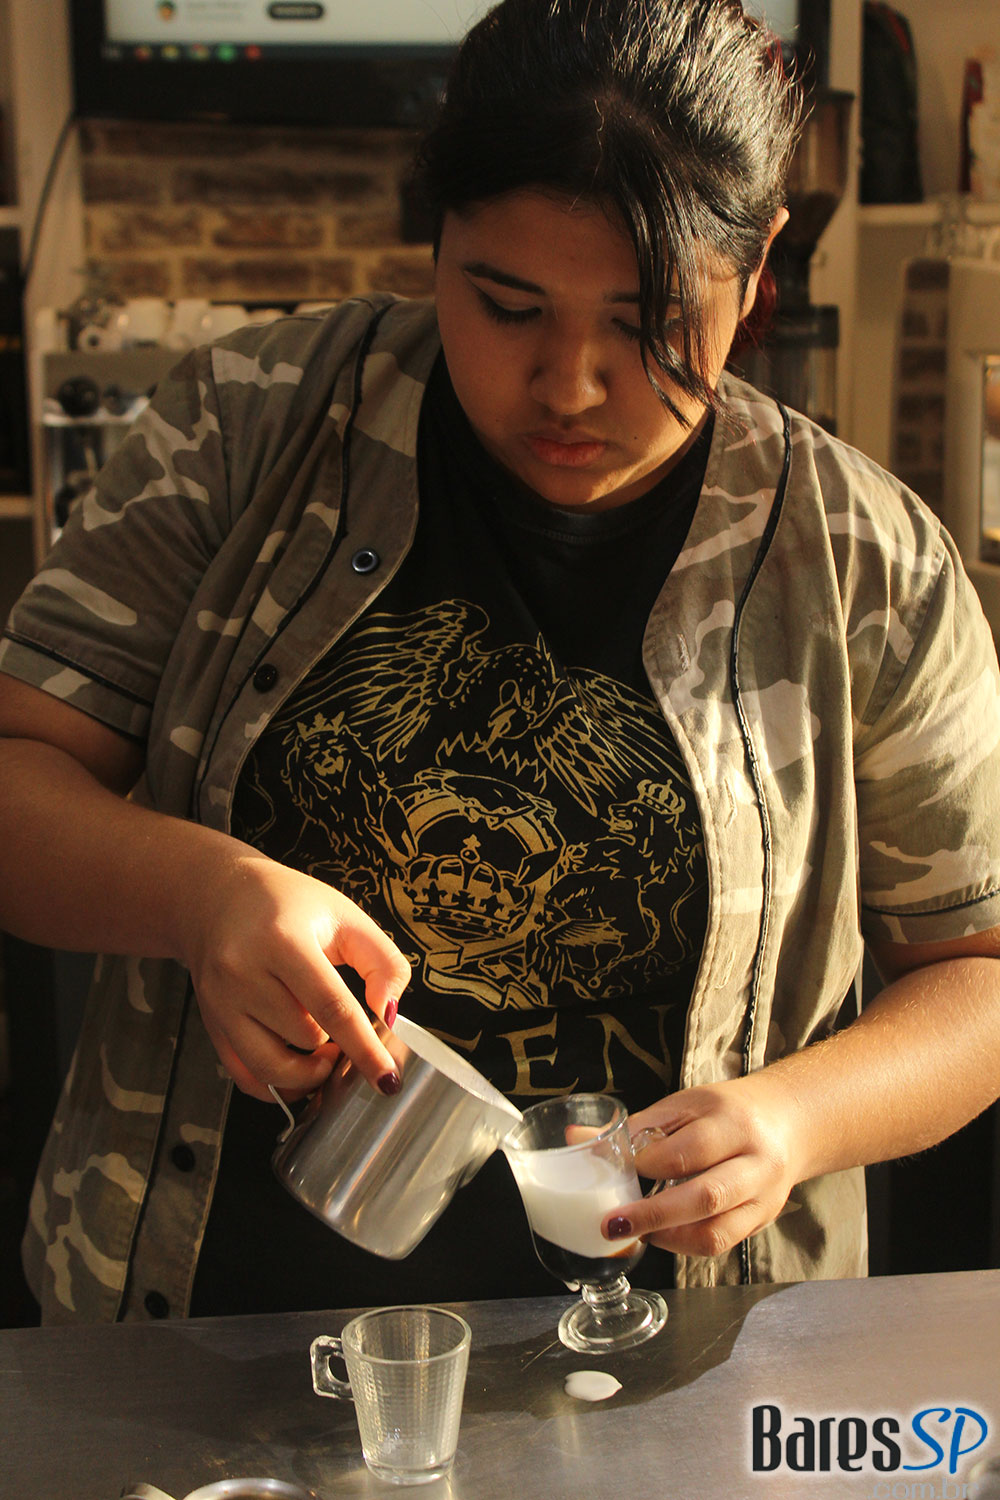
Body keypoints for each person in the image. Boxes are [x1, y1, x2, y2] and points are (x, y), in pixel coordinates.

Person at [2, 0, 999, 1325]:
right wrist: (199, 894)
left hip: (684, 1354)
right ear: (436, 238)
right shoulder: (247, 426)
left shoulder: (864, 560)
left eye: (648, 321)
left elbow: (976, 971)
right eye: (507, 304)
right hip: (207, 1323)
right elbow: (20, 781)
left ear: (761, 261)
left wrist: (796, 1121)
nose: (570, 384)